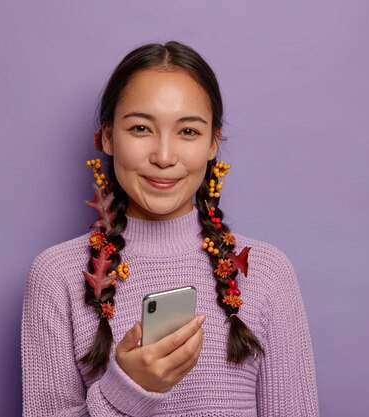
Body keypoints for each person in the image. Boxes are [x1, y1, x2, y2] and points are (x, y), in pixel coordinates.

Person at [21, 40, 319, 416]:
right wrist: (127, 390)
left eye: (188, 132)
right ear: (108, 137)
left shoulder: (268, 273)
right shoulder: (57, 276)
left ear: (213, 142)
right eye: (141, 128)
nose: (163, 157)